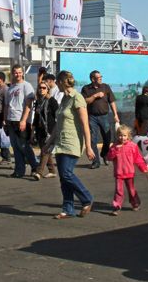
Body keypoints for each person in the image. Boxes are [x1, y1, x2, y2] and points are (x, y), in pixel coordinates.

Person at [46, 71, 95, 219]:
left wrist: (89, 146)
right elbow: (58, 124)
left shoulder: (77, 98)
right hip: (61, 142)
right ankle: (68, 209)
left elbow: (85, 124)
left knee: (67, 173)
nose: (53, 84)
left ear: (61, 82)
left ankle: (87, 198)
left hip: (72, 142)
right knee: (63, 177)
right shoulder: (64, 99)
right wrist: (49, 142)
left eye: (56, 82)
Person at [107, 124, 148, 215]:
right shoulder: (114, 146)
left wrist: (144, 168)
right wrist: (115, 150)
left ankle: (135, 203)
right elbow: (109, 157)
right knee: (118, 191)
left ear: (128, 136)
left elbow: (138, 159)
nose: (122, 137)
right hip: (119, 173)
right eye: (120, 135)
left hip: (129, 173)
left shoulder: (132, 146)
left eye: (124, 135)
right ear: (117, 135)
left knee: (131, 190)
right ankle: (117, 206)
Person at [4, 64, 39, 179]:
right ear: (12, 73)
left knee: (23, 146)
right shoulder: (11, 87)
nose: (17, 74)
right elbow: (7, 105)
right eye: (15, 72)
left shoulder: (26, 86)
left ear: (22, 73)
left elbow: (29, 105)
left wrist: (24, 120)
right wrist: (5, 120)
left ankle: (35, 167)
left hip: (21, 120)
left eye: (19, 72)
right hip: (11, 120)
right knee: (15, 147)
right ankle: (19, 170)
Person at [81, 70, 120, 168]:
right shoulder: (86, 89)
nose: (101, 79)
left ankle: (104, 154)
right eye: (99, 77)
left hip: (104, 116)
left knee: (107, 138)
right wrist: (95, 95)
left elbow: (112, 101)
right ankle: (96, 161)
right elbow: (85, 101)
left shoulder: (106, 87)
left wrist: (115, 114)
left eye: (101, 77)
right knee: (93, 140)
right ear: (93, 79)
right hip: (91, 117)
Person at [33, 81, 59, 179]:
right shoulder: (38, 102)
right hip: (40, 130)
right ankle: (52, 170)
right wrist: (33, 132)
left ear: (48, 89)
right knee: (45, 150)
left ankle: (39, 172)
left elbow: (58, 114)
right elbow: (36, 118)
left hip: (50, 130)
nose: (41, 89)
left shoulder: (52, 101)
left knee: (45, 151)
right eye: (40, 87)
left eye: (44, 88)